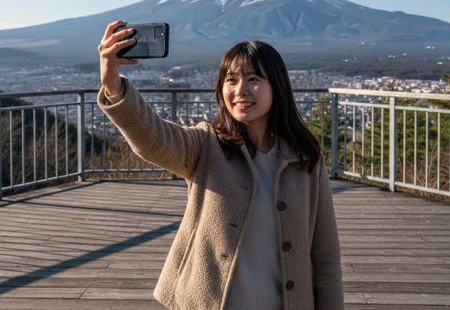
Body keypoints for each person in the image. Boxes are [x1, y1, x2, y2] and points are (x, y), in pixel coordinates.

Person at [97, 20, 344, 310]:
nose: (240, 90)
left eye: (253, 79)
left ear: (277, 87)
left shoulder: (304, 157)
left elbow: (325, 252)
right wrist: (113, 83)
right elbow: (154, 139)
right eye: (231, 80)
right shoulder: (206, 144)